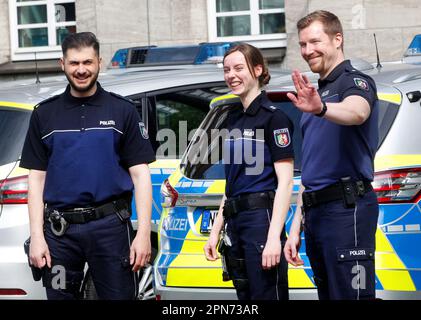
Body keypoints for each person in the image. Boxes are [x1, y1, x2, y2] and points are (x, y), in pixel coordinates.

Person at [20, 32, 156, 300]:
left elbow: (141, 175)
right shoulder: (44, 114)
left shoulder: (122, 111)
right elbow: (36, 181)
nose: (81, 70)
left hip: (110, 230)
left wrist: (142, 235)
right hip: (60, 236)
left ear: (99, 62)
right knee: (59, 296)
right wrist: (37, 236)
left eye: (87, 62)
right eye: (74, 63)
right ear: (62, 64)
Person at [284, 10, 379, 300]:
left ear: (337, 39)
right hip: (317, 214)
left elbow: (357, 112)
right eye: (302, 44)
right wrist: (295, 227)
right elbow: (313, 169)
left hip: (346, 210)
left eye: (315, 41)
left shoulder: (353, 82)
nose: (307, 50)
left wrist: (322, 110)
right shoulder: (316, 93)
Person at [203, 43, 294, 300]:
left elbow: (285, 183)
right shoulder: (232, 119)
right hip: (235, 222)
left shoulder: (273, 118)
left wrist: (274, 237)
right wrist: (215, 231)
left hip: (260, 221)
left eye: (239, 68)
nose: (231, 75)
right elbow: (231, 183)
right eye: (227, 70)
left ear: (257, 69)